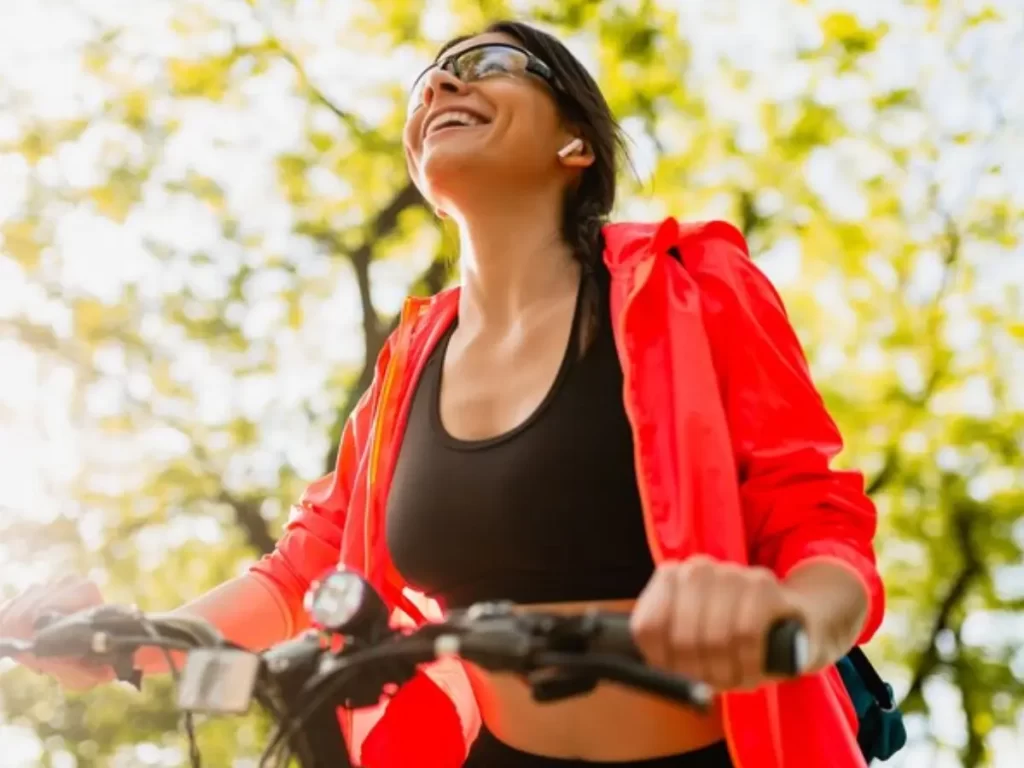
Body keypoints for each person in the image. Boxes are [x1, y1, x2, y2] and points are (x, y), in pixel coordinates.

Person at [0, 20, 884, 768]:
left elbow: (820, 527)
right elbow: (304, 574)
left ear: (575, 144)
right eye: (428, 80)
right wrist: (133, 639)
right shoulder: (409, 364)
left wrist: (784, 613)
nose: (443, 84)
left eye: (489, 65)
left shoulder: (690, 284)